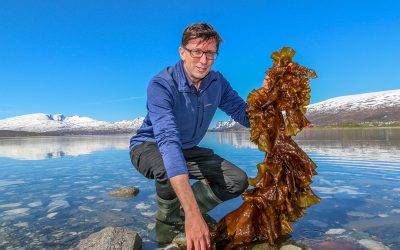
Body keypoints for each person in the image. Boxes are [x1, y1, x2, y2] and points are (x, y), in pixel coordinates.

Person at [129, 23, 250, 250]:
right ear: (182, 52)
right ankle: (166, 222)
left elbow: (244, 114)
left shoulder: (217, 83)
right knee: (167, 165)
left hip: (185, 149)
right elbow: (167, 140)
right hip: (148, 145)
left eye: (210, 54)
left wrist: (270, 101)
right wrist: (197, 216)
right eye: (197, 51)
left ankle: (183, 211)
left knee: (237, 181)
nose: (203, 61)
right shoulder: (162, 84)